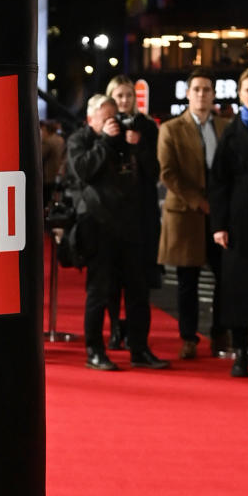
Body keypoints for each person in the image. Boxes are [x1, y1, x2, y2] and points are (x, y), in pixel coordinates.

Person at [66, 93, 169, 370]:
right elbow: (84, 170)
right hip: (98, 227)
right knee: (99, 293)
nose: (114, 123)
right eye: (107, 118)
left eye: (116, 117)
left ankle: (139, 348)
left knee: (138, 291)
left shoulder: (127, 139)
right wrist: (106, 141)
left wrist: (138, 147)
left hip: (131, 226)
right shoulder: (80, 140)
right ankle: (94, 351)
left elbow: (153, 172)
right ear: (92, 119)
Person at [157, 69, 230, 359]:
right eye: (196, 89)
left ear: (213, 94)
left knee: (224, 277)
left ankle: (220, 334)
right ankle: (188, 337)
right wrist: (200, 201)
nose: (201, 94)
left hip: (220, 215)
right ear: (188, 94)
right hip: (187, 212)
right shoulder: (171, 129)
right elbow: (168, 174)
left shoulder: (226, 127)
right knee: (187, 281)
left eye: (207, 89)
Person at [210, 67, 248, 377]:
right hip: (239, 223)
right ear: (240, 95)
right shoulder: (231, 133)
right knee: (238, 291)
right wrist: (219, 225)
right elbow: (218, 182)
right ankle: (241, 354)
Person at [103, 75, 161, 349]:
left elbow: (154, 172)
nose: (124, 101)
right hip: (113, 215)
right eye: (118, 96)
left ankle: (138, 336)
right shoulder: (105, 127)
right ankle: (115, 327)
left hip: (142, 214)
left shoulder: (148, 127)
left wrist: (138, 145)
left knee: (140, 281)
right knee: (112, 280)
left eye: (128, 95)